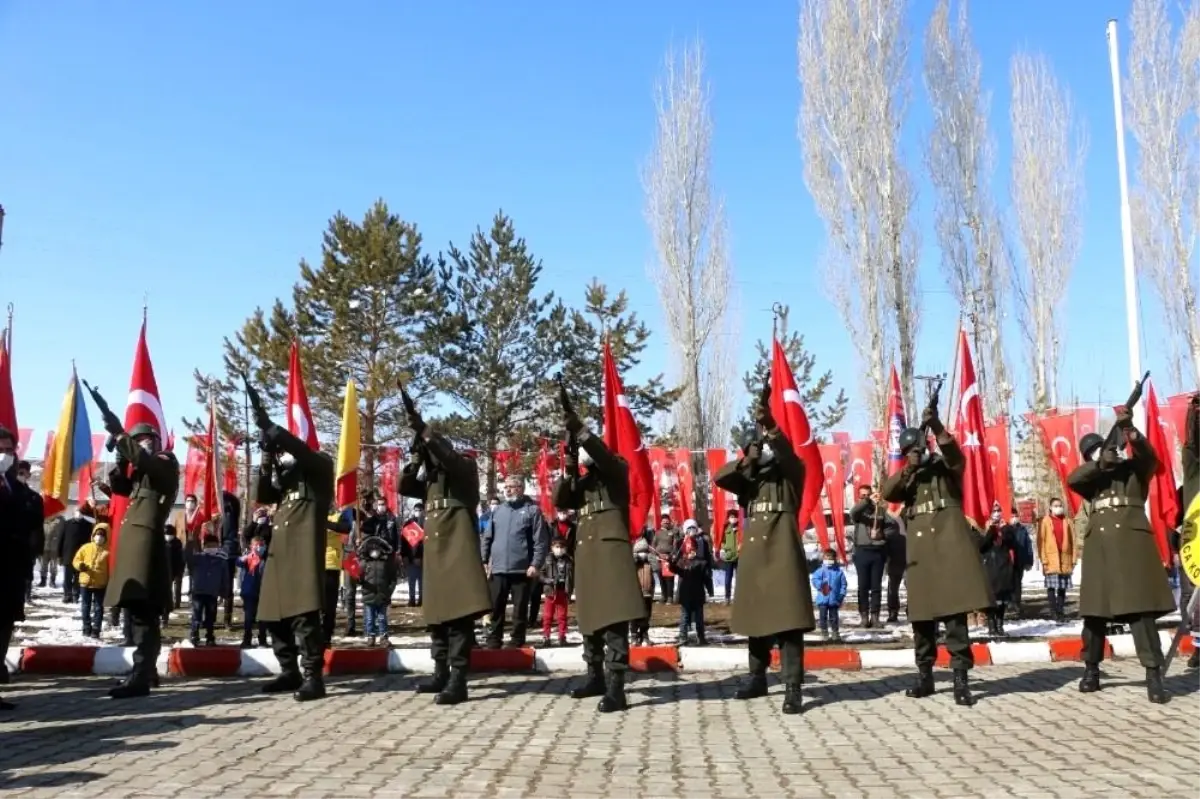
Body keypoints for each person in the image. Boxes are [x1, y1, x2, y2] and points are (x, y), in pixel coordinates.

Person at [712, 385, 815, 715]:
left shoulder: (789, 474)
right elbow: (720, 477)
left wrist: (770, 427)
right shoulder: (749, 479)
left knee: (788, 622)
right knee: (756, 620)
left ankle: (793, 686)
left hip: (783, 550)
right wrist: (747, 461)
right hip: (756, 553)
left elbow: (787, 454)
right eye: (752, 447)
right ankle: (757, 677)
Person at [880, 407, 992, 708]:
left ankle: (960, 679)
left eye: (917, 448)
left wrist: (936, 425)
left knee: (955, 617)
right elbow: (888, 492)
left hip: (948, 546)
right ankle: (925, 675)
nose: (914, 453)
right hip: (920, 552)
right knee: (922, 619)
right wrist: (908, 468)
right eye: (908, 451)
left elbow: (957, 456)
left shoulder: (944, 468)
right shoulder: (909, 478)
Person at [1067, 407, 1176, 704]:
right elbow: (1073, 480)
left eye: (1097, 449)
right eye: (1090, 453)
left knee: (1140, 614)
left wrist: (1131, 432)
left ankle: (1154, 675)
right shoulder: (1092, 478)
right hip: (1100, 550)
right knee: (1094, 617)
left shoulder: (1133, 470)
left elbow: (1150, 459)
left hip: (1131, 546)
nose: (1094, 455)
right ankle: (1091, 670)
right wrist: (1100, 464)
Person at [551, 400, 646, 714]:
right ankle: (595, 676)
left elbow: (603, 456)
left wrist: (579, 429)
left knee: (614, 621)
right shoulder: (583, 482)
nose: (583, 453)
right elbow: (561, 498)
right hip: (588, 556)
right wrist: (568, 465)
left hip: (611, 556)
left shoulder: (616, 469)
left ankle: (617, 688)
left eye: (584, 449)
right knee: (590, 620)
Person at [399, 391, 490, 706]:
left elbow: (449, 458)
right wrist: (415, 455)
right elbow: (404, 486)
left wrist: (426, 432)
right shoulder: (433, 478)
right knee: (436, 615)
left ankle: (458, 678)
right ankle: (439, 671)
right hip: (436, 548)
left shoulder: (465, 468)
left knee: (458, 617)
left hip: (457, 548)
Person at [251, 398, 334, 703]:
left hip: (303, 552)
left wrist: (272, 429)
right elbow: (263, 494)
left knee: (304, 616)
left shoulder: (320, 469)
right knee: (273, 616)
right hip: (279, 553)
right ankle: (289, 670)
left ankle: (313, 675)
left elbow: (303, 453)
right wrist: (266, 456)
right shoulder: (287, 481)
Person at [98, 413, 179, 700]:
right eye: (138, 441)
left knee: (145, 614)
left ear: (157, 443)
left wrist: (122, 436)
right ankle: (145, 671)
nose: (142, 445)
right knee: (137, 612)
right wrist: (121, 453)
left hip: (146, 547)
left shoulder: (165, 462)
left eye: (146, 440)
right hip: (134, 546)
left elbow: (146, 462)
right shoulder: (143, 475)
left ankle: (141, 676)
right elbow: (120, 486)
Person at [480, 473, 549, 649]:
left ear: (520, 488)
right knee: (496, 607)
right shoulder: (498, 511)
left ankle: (517, 640)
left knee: (519, 609)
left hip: (522, 569)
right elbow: (487, 537)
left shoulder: (532, 511)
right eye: (506, 486)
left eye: (511, 486)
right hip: (498, 569)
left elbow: (540, 540)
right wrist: (484, 560)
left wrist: (535, 564)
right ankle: (494, 639)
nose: (507, 489)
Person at [0, 427, 38, 708]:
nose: (4, 454)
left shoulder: (19, 488)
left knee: (3, 628)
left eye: (9, 450)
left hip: (11, 570)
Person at [849, 486, 892, 628]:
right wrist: (868, 501)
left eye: (868, 495)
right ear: (859, 497)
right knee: (863, 587)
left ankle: (875, 617)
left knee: (876, 587)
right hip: (862, 552)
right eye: (862, 496)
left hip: (877, 552)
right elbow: (853, 512)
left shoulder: (879, 511)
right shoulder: (858, 513)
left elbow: (892, 526)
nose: (865, 497)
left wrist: (883, 536)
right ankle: (864, 617)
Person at [979, 506, 1017, 638]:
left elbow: (1012, 543)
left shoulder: (1005, 527)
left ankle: (1000, 625)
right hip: (990, 567)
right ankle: (991, 625)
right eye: (994, 510)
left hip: (1004, 567)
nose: (996, 513)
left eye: (998, 510)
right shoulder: (984, 526)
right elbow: (981, 546)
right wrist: (990, 530)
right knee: (992, 599)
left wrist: (1006, 528)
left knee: (1003, 599)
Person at [1036, 498, 1075, 623]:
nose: (1058, 507)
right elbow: (1040, 542)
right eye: (1055, 505)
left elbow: (1073, 540)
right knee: (1052, 587)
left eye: (1060, 505)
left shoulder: (1068, 521)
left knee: (1062, 587)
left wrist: (1073, 558)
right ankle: (1053, 611)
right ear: (1050, 508)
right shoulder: (1045, 521)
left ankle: (1060, 610)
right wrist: (1043, 559)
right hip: (1051, 557)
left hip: (1065, 557)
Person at [188, 530, 230, 646]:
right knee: (196, 614)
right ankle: (194, 634)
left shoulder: (221, 560)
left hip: (212, 593)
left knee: (211, 616)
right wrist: (191, 541)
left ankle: (210, 635)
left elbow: (224, 578)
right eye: (209, 546)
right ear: (204, 546)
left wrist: (224, 593)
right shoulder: (198, 558)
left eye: (214, 546)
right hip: (198, 591)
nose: (212, 548)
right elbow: (187, 558)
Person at [672, 519, 710, 646]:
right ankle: (683, 637)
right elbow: (674, 568)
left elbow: (706, 576)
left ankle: (701, 637)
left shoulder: (701, 562)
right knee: (685, 616)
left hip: (698, 594)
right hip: (685, 593)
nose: (691, 552)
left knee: (699, 618)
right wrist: (671, 562)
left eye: (693, 549)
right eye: (689, 550)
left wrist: (710, 589)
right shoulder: (682, 563)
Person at [72, 522, 111, 639]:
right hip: (85, 582)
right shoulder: (85, 547)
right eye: (97, 534)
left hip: (100, 584)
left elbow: (111, 568)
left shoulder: (108, 552)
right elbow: (76, 560)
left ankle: (96, 629)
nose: (99, 537)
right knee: (85, 606)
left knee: (99, 607)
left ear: (106, 537)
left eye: (102, 535)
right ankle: (86, 627)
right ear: (93, 535)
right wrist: (81, 566)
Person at [359, 535, 398, 647]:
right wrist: (359, 579)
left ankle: (383, 636)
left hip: (382, 595)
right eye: (372, 550)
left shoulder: (386, 563)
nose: (375, 552)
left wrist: (388, 592)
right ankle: (371, 636)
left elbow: (393, 579)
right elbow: (359, 578)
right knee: (369, 618)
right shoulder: (364, 563)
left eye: (377, 549)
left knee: (382, 618)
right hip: (368, 595)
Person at [540, 535, 573, 647]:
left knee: (562, 616)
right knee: (547, 616)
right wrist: (548, 580)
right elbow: (541, 574)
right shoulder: (548, 559)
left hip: (563, 591)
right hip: (550, 591)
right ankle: (546, 636)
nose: (559, 549)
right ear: (552, 547)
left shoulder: (569, 560)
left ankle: (562, 636)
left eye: (561, 547)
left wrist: (570, 591)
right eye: (557, 547)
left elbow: (571, 577)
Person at [59, 503, 94, 605]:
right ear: (73, 513)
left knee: (78, 578)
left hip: (81, 556)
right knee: (67, 578)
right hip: (68, 555)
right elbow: (61, 539)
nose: (78, 514)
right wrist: (59, 554)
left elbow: (90, 541)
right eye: (77, 511)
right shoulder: (67, 523)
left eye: (80, 512)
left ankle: (76, 595)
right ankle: (67, 595)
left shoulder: (88, 525)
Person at [238, 536, 268, 649]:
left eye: (261, 545)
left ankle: (262, 639)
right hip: (249, 592)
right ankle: (247, 639)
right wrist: (246, 556)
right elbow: (238, 562)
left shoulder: (267, 558)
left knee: (263, 618)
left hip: (263, 592)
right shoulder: (249, 558)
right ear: (251, 546)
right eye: (256, 545)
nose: (259, 547)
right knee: (248, 618)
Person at [810, 548, 847, 641]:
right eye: (826, 558)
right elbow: (814, 579)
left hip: (834, 599)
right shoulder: (820, 571)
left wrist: (841, 595)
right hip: (822, 599)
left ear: (835, 559)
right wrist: (820, 585)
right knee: (823, 617)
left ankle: (835, 632)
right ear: (823, 559)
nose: (828, 560)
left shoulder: (839, 572)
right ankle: (824, 631)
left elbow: (844, 584)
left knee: (834, 617)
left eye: (830, 558)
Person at [631, 534, 654, 646]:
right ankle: (634, 635)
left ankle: (644, 635)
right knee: (635, 616)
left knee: (646, 615)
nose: (644, 554)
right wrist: (637, 557)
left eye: (645, 551)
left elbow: (653, 576)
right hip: (636, 593)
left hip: (647, 593)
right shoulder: (633, 564)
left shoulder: (649, 563)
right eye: (641, 551)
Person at [651, 513, 677, 604]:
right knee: (661, 578)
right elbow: (653, 546)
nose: (666, 522)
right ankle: (664, 596)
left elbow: (675, 545)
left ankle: (670, 597)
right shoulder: (657, 533)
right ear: (661, 523)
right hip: (659, 559)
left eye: (667, 521)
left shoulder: (673, 532)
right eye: (664, 521)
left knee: (669, 578)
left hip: (669, 559)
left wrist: (670, 555)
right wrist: (657, 555)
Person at [399, 517, 424, 607]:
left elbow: (423, 545)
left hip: (421, 560)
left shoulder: (423, 526)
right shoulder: (407, 528)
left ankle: (422, 599)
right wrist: (404, 557)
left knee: (422, 582)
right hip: (410, 560)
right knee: (411, 581)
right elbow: (403, 545)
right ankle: (412, 599)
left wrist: (420, 557)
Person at [718, 509, 739, 602]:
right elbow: (722, 540)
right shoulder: (725, 528)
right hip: (729, 556)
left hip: (739, 555)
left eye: (734, 517)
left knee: (739, 578)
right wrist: (723, 549)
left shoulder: (741, 528)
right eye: (731, 517)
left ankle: (738, 596)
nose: (733, 519)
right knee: (728, 578)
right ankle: (727, 597)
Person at [164, 523, 185, 617]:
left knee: (177, 587)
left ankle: (177, 602)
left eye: (170, 534)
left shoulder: (177, 543)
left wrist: (181, 568)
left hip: (177, 568)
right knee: (167, 588)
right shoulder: (162, 542)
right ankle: (168, 603)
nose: (168, 536)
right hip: (167, 568)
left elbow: (181, 557)